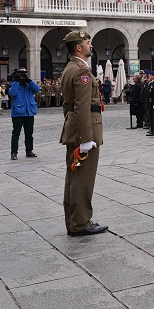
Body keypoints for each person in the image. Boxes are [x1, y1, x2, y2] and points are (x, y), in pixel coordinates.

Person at [59, 31, 108, 236]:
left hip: (74, 128)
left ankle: (74, 221)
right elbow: (82, 107)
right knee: (83, 179)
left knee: (74, 177)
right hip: (85, 130)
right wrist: (86, 139)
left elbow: (67, 106)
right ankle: (81, 222)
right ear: (78, 47)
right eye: (87, 43)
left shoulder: (70, 68)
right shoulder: (82, 72)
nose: (91, 46)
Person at [8, 68, 40, 160]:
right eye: (21, 74)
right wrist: (16, 81)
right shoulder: (14, 83)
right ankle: (14, 153)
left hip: (29, 112)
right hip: (18, 112)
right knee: (16, 134)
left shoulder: (29, 84)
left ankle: (29, 150)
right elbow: (12, 93)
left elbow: (37, 89)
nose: (22, 75)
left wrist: (29, 80)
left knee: (29, 133)